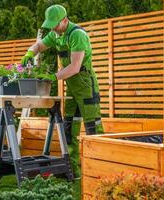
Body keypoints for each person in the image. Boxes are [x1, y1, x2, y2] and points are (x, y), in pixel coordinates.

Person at [21, 4, 103, 177]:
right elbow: (38, 46)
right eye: (51, 26)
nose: (53, 29)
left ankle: (98, 174)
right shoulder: (56, 34)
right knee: (69, 128)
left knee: (93, 130)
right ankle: (73, 171)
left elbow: (74, 67)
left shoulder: (77, 35)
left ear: (65, 20)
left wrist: (53, 77)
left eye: (55, 25)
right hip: (72, 89)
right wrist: (29, 53)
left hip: (86, 87)